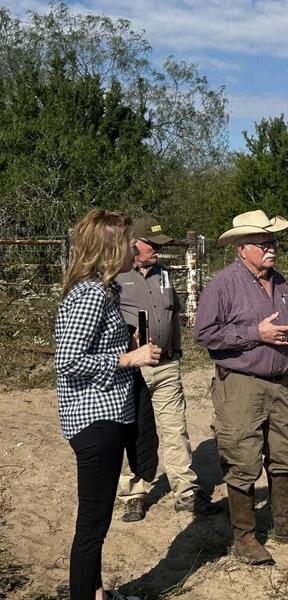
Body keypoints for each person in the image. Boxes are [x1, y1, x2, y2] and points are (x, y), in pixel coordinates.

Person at [195, 209, 288, 566]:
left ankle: (285, 522)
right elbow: (204, 335)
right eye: (263, 243)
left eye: (273, 242)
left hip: (280, 384)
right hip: (241, 385)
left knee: (285, 453)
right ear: (242, 249)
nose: (271, 248)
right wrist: (255, 334)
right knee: (242, 459)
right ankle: (245, 538)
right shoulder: (222, 284)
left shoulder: (281, 282)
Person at [55, 209, 160, 600]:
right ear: (111, 248)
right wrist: (127, 358)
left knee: (96, 523)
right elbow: (67, 359)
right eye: (130, 242)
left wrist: (123, 342)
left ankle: (96, 592)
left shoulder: (104, 291)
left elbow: (90, 346)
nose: (135, 248)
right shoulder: (90, 294)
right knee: (92, 525)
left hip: (108, 414)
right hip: (95, 419)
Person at [115, 217, 220, 521]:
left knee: (176, 429)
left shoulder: (164, 274)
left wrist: (176, 351)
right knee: (134, 431)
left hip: (167, 364)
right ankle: (133, 494)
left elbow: (172, 314)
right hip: (133, 368)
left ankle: (186, 492)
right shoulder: (117, 277)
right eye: (153, 245)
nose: (158, 251)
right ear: (135, 244)